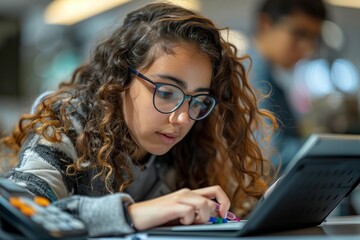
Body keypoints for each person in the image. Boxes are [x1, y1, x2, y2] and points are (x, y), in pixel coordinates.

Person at [0, 2, 276, 237]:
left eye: (198, 100)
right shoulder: (65, 128)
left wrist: (265, 209)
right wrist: (133, 213)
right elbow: (19, 214)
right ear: (121, 79)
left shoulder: (187, 150)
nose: (181, 118)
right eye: (167, 92)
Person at [248, 0, 327, 169]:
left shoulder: (271, 75)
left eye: (314, 39)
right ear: (265, 23)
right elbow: (268, 153)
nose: (307, 48)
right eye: (299, 34)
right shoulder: (249, 72)